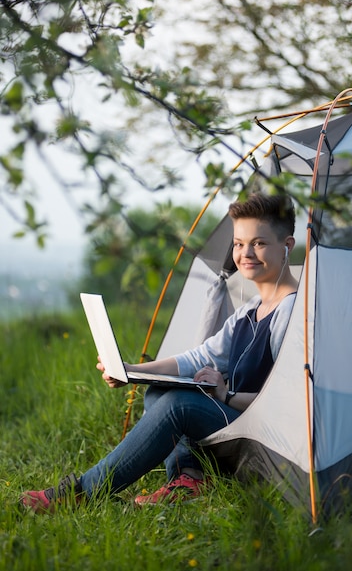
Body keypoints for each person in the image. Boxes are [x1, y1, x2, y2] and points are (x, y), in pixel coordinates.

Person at [21, 192, 298, 511]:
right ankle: (189, 479)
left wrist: (225, 396)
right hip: (240, 422)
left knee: (179, 405)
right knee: (158, 391)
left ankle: (82, 492)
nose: (245, 253)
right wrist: (130, 371)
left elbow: (289, 402)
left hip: (265, 438)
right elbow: (196, 358)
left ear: (286, 246)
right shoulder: (250, 310)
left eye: (259, 243)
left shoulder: (290, 312)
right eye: (238, 243)